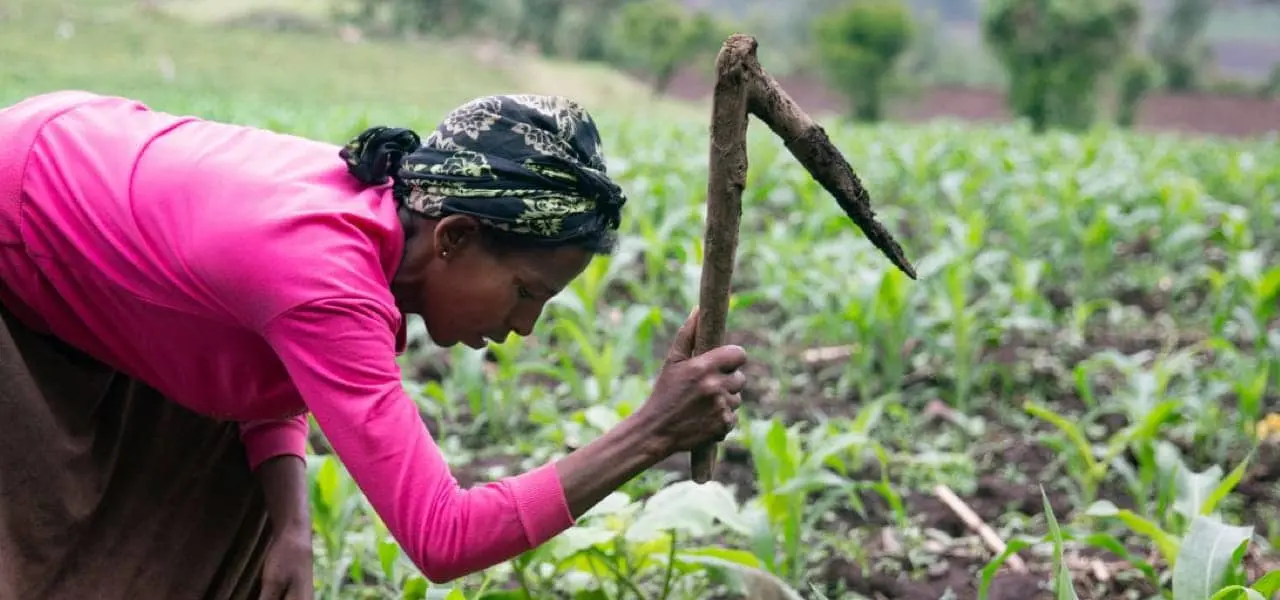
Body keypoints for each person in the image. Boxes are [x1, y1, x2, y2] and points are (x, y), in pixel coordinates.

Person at [0, 90, 749, 600]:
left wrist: (293, 525)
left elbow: (261, 361)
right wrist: (653, 433)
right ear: (454, 236)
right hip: (22, 219)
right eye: (526, 292)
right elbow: (443, 538)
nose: (524, 327)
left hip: (81, 181)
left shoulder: (371, 218)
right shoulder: (327, 276)